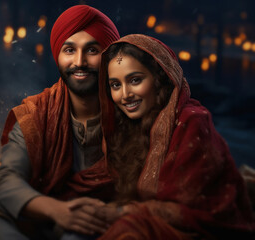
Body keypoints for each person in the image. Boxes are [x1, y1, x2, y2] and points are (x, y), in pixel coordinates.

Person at [0, 5, 120, 240]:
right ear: (58, 55)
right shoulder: (37, 113)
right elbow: (6, 181)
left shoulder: (130, 109)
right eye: (69, 50)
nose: (79, 61)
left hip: (105, 224)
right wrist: (59, 211)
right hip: (47, 219)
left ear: (109, 56)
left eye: (92, 50)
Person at [95, 34, 255, 239]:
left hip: (201, 227)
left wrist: (123, 212)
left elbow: (192, 206)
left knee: (128, 231)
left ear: (160, 77)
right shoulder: (125, 126)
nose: (125, 94)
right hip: (148, 218)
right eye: (115, 85)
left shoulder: (192, 121)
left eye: (135, 80)